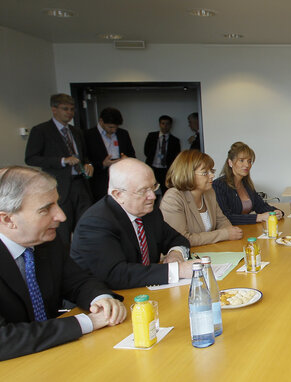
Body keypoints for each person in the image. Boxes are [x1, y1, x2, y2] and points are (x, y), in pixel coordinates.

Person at [0, 166, 126, 361]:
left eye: (57, 203)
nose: (61, 216)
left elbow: (78, 281)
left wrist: (101, 299)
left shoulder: (46, 241)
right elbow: (4, 340)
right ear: (8, 219)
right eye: (45, 209)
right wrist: (87, 322)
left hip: (55, 356)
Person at [70, 158, 197, 290]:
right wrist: (177, 270)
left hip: (144, 291)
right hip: (106, 301)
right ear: (118, 194)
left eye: (153, 187)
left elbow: (177, 239)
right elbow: (117, 275)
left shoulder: (148, 212)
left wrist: (175, 254)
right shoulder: (96, 223)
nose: (152, 196)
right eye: (143, 191)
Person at [25, 93, 94, 249]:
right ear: (54, 109)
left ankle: (85, 258)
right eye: (65, 109)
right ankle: (63, 262)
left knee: (86, 224)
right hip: (59, 186)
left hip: (81, 184)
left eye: (71, 109)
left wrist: (89, 164)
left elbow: (85, 156)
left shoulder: (77, 132)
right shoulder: (41, 130)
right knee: (62, 227)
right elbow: (31, 158)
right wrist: (62, 161)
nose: (69, 113)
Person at [160, 150, 242, 246]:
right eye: (205, 173)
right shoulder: (173, 198)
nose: (212, 175)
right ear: (187, 174)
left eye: (211, 171)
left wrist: (230, 231)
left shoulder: (209, 192)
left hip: (209, 251)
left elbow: (222, 221)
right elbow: (181, 239)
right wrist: (224, 234)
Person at [212, 142, 283, 225]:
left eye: (249, 161)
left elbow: (260, 206)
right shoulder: (219, 185)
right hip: (231, 233)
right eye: (241, 160)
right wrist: (259, 217)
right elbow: (226, 217)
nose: (247, 165)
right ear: (230, 162)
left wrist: (275, 211)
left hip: (246, 229)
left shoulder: (246, 184)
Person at [84, 107, 136, 201]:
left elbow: (132, 154)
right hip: (99, 181)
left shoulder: (123, 133)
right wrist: (103, 164)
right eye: (111, 127)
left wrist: (127, 159)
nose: (114, 130)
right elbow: (85, 159)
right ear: (101, 121)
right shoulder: (88, 135)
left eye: (116, 127)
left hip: (121, 179)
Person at [143, 115, 180, 194]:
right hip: (152, 167)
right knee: (150, 190)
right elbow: (146, 151)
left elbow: (176, 157)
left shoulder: (175, 140)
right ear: (159, 124)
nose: (165, 126)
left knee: (166, 190)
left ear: (170, 125)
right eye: (163, 123)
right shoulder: (151, 136)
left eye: (167, 124)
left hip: (166, 169)